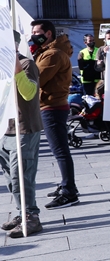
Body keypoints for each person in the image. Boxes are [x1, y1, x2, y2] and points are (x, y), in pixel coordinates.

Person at [31, 19, 79, 208]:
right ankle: (68, 186)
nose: (33, 35)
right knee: (59, 150)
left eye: (36, 32)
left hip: (52, 106)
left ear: (48, 34)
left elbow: (37, 79)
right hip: (51, 105)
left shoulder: (52, 55)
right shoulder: (48, 52)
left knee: (60, 151)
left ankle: (69, 192)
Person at [1, 31, 43, 238]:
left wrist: (15, 66)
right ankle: (21, 212)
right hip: (4, 129)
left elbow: (28, 93)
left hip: (23, 128)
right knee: (10, 176)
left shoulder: (27, 65)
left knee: (21, 176)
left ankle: (31, 216)